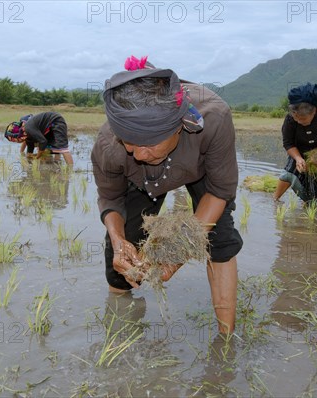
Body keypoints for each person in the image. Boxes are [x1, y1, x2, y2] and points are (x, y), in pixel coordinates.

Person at [91, 56, 243, 334]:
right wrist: (118, 239)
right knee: (121, 260)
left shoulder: (213, 119)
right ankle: (120, 330)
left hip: (198, 171)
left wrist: (178, 251)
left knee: (219, 239)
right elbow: (111, 199)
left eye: (147, 145)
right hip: (140, 182)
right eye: (128, 142)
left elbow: (220, 191)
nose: (136, 154)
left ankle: (226, 341)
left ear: (178, 127)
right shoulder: (109, 147)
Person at [273, 83, 317, 205]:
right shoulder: (290, 119)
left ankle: (309, 202)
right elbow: (288, 143)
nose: (299, 121)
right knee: (289, 171)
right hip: (299, 152)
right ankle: (275, 200)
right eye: (296, 118)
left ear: (314, 110)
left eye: (303, 119)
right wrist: (298, 158)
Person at [4, 112, 74, 165]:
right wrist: (27, 160)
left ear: (17, 135)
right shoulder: (28, 137)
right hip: (47, 128)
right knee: (49, 148)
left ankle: (70, 171)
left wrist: (37, 156)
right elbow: (29, 151)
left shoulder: (28, 129)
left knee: (62, 148)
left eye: (14, 140)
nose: (16, 142)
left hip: (55, 121)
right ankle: (56, 164)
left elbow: (43, 141)